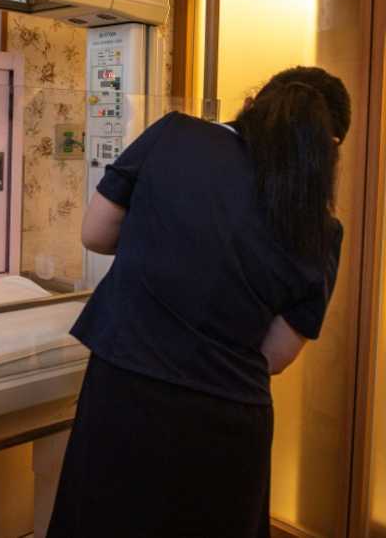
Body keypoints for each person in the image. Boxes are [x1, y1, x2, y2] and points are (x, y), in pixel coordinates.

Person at [46, 66, 350, 538]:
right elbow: (274, 356)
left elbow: (95, 233)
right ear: (328, 150)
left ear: (255, 104)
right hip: (225, 421)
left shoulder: (174, 136)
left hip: (126, 387)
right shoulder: (320, 228)